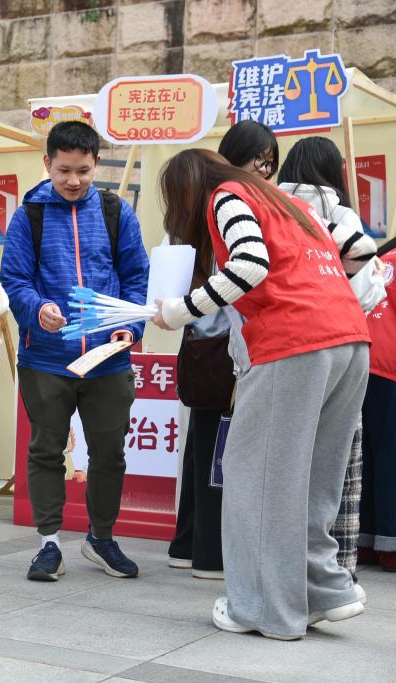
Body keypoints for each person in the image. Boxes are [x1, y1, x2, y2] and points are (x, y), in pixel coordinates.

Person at [152, 148, 374, 640]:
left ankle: (263, 610)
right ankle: (325, 589)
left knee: (256, 478)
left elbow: (250, 265)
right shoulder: (291, 203)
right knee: (315, 477)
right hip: (349, 339)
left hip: (291, 344)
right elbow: (360, 249)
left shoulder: (227, 196)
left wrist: (178, 310)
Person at [0, 121, 150, 582]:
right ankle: (48, 544)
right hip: (46, 358)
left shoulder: (115, 211)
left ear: (96, 163)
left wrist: (128, 327)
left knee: (109, 453)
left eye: (83, 170)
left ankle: (101, 538)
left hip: (109, 358)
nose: (73, 180)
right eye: (64, 170)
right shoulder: (29, 216)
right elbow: (14, 281)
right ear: (47, 163)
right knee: (46, 450)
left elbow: (137, 278)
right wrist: (37, 309)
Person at [167, 122, 281, 579]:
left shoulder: (186, 221)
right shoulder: (229, 210)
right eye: (258, 160)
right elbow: (239, 284)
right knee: (221, 454)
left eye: (270, 162)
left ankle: (188, 546)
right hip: (228, 351)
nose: (264, 170)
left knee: (203, 449)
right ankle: (210, 555)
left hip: (200, 347)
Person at [277, 135, 385, 576]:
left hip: (278, 353)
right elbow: (364, 292)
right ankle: (335, 569)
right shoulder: (341, 215)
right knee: (337, 465)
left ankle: (278, 568)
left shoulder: (268, 207)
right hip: (339, 350)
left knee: (281, 464)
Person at [359, 247, 396, 572]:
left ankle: (365, 540)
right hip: (390, 365)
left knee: (367, 452)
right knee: (389, 456)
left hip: (366, 358)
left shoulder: (386, 259)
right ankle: (391, 544)